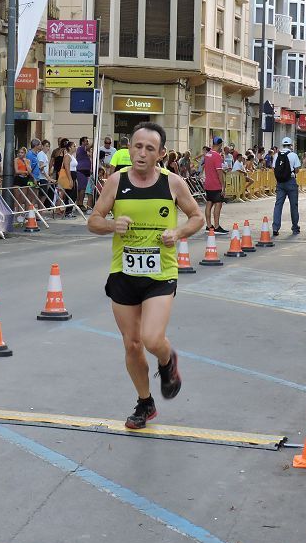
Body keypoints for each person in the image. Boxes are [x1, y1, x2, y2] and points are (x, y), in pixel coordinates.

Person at [87, 121, 204, 429]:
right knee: (132, 344)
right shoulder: (116, 181)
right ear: (129, 148)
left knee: (152, 339)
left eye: (149, 149)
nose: (141, 153)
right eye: (137, 146)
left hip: (160, 273)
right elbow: (94, 220)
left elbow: (197, 217)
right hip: (123, 272)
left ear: (160, 154)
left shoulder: (173, 183)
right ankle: (145, 403)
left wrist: (178, 232)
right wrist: (112, 225)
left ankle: (168, 361)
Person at [271, 137, 302, 236]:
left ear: (282, 145)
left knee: (278, 205)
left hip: (280, 183)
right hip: (291, 182)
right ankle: (295, 227)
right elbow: (297, 169)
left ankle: (275, 227)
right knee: (294, 205)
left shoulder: (276, 155)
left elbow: (273, 168)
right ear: (290, 145)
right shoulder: (293, 155)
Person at [202, 137, 227, 233]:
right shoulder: (217, 156)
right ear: (220, 145)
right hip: (215, 183)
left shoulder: (207, 154)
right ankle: (216, 226)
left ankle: (209, 225)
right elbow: (219, 173)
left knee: (209, 203)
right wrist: (223, 186)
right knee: (218, 204)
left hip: (208, 183)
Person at [75, 136, 93, 209]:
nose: (88, 143)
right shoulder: (81, 148)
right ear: (82, 142)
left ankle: (79, 203)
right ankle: (80, 204)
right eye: (86, 141)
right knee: (82, 189)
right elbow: (88, 147)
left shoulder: (86, 151)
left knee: (81, 189)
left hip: (85, 171)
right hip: (81, 171)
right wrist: (95, 141)